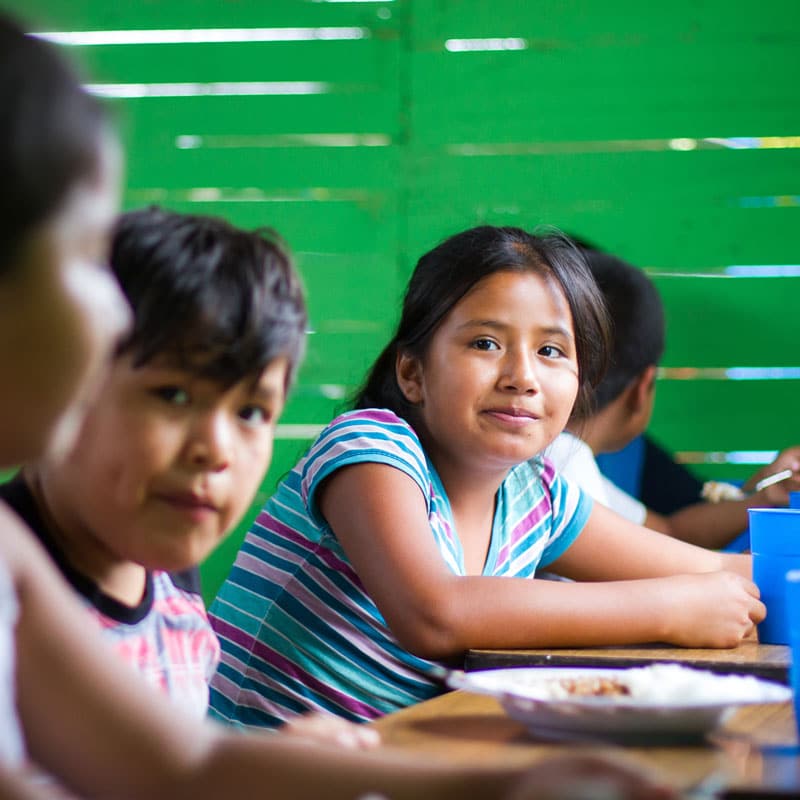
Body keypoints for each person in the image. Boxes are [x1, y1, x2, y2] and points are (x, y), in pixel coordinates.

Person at [1, 14, 682, 799]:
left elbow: (183, 765)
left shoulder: (114, 588)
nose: (214, 447)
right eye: (82, 254)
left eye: (252, 412)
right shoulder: (369, 451)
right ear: (412, 371)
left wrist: (499, 784)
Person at [208, 224, 764, 731]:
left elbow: (720, 571)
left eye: (551, 350)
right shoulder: (370, 449)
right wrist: (667, 609)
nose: (522, 377)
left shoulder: (538, 497)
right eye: (485, 344)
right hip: (249, 775)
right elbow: (435, 614)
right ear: (412, 372)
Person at [0, 206, 307, 720]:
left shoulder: (167, 565)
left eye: (251, 412)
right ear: (64, 383)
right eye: (173, 395)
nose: (215, 449)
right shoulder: (11, 584)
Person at [544, 246, 800, 550]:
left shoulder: (569, 458)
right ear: (643, 387)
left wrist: (769, 495)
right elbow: (640, 575)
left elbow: (668, 532)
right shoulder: (561, 461)